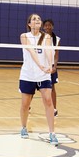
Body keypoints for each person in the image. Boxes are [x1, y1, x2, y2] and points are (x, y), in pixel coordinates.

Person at [19, 13, 58, 145]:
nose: (37, 20)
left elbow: (48, 51)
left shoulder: (46, 37)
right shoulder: (24, 36)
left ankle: (52, 133)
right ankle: (24, 127)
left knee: (48, 101)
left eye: (39, 19)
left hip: (43, 75)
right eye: (34, 19)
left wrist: (50, 64)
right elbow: (31, 51)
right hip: (28, 74)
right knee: (25, 104)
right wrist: (41, 65)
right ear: (29, 24)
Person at [43, 19, 60, 117]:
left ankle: (54, 109)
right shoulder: (40, 38)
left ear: (52, 26)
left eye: (49, 25)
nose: (47, 27)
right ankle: (27, 106)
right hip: (41, 66)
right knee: (33, 87)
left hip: (51, 66)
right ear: (43, 27)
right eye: (46, 25)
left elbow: (56, 55)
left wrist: (55, 67)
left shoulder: (57, 39)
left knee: (52, 87)